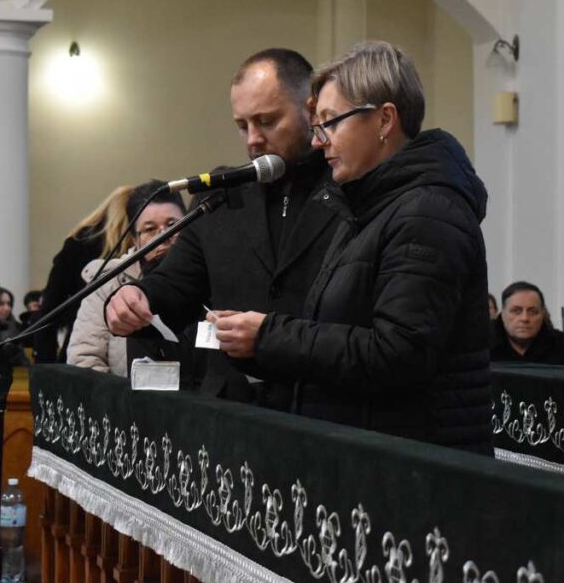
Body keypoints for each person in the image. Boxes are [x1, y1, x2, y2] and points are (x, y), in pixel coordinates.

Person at [117, 42, 492, 451]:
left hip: (408, 451)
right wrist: (138, 296)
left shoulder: (420, 208)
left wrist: (267, 337)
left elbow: (397, 352)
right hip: (338, 433)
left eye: (329, 122)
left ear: (384, 119)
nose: (319, 140)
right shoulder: (366, 202)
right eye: (242, 125)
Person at [107, 48, 341, 405]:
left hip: (319, 400)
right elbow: (176, 284)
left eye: (267, 121)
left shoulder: (344, 188)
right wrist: (138, 297)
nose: (252, 139)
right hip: (232, 404)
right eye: (242, 126)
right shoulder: (223, 195)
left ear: (310, 110)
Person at [68, 181, 187, 376]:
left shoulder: (212, 275)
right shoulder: (108, 283)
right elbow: (84, 359)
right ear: (134, 240)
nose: (164, 236)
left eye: (173, 225)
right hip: (124, 393)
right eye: (150, 229)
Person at [36, 186, 134, 363]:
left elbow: (50, 308)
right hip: (122, 345)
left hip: (78, 342)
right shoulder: (132, 248)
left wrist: (45, 362)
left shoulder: (77, 242)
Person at [490, 281, 564, 366]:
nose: (524, 318)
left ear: (543, 314)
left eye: (533, 312)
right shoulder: (484, 343)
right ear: (503, 313)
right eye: (516, 311)